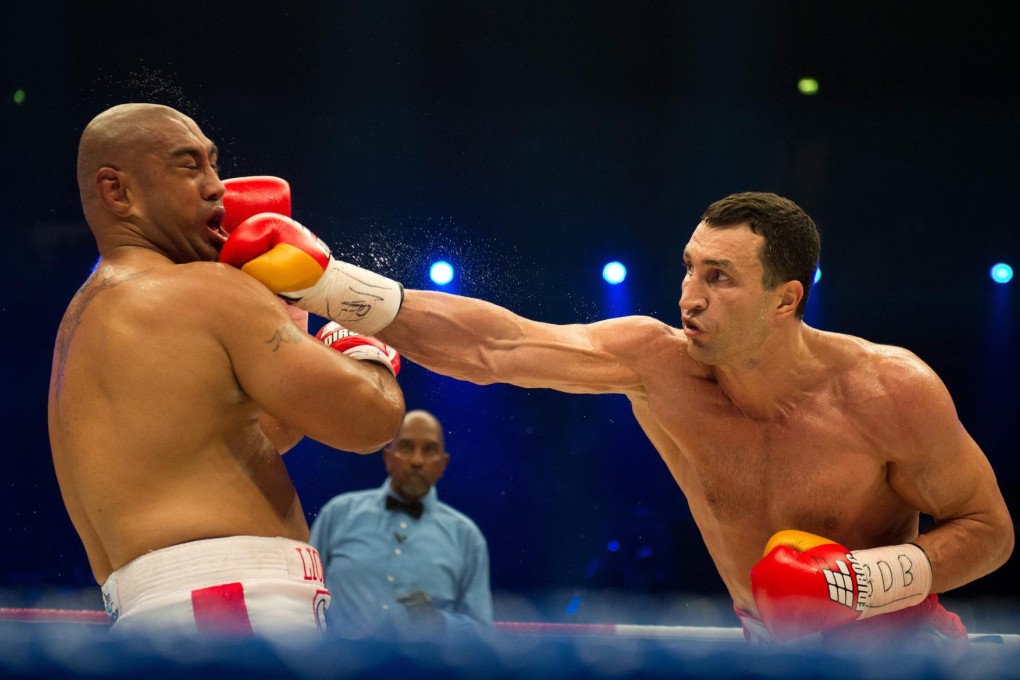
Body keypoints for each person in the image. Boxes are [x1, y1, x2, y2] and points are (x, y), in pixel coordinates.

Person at [223, 191, 1012, 649]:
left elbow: (989, 530)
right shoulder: (656, 363)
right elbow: (498, 346)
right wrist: (333, 288)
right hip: (770, 654)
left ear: (786, 298)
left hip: (907, 657)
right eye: (688, 268)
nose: (690, 295)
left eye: (720, 277)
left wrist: (864, 579)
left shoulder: (889, 390)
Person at [48, 103, 405, 638]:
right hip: (233, 612)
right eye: (188, 166)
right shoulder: (203, 291)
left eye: (214, 163)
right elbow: (370, 420)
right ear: (117, 191)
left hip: (157, 615)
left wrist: (288, 318)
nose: (218, 186)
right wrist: (358, 334)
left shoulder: (83, 323)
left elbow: (259, 434)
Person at [309, 405, 493, 639]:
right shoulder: (338, 514)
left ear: (442, 464)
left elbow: (483, 631)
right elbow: (306, 598)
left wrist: (441, 623)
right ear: (388, 457)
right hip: (337, 669)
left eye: (429, 450)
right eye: (406, 447)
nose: (417, 460)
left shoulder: (466, 537)